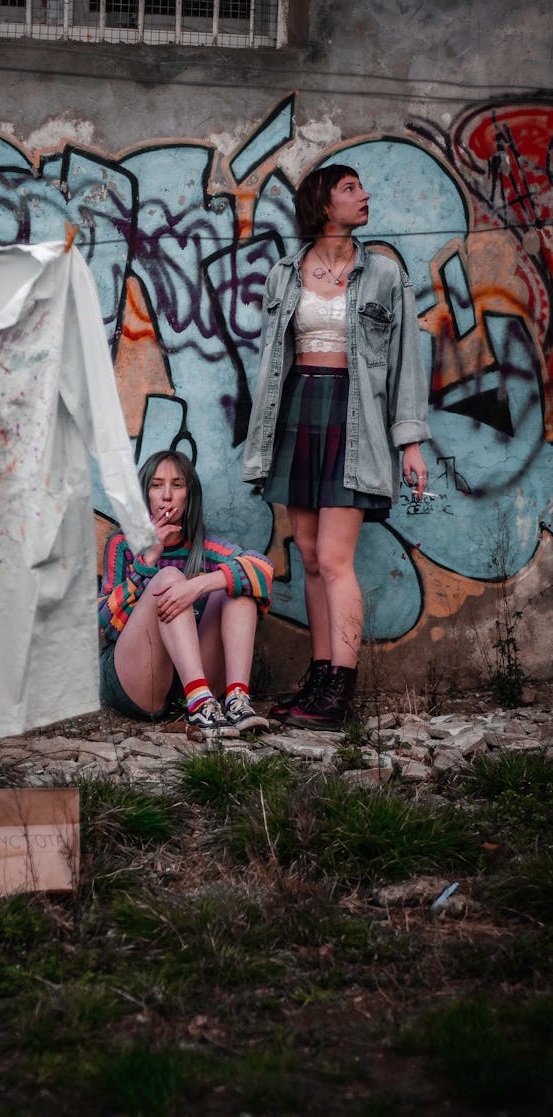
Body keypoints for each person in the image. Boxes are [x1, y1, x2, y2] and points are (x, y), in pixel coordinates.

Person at [243, 164, 431, 729]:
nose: (364, 195)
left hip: (355, 420)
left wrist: (411, 443)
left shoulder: (383, 275)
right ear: (324, 203)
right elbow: (272, 363)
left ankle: (340, 693)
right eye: (351, 189)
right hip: (298, 411)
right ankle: (320, 680)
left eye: (362, 188)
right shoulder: (285, 273)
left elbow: (405, 364)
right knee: (307, 558)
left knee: (333, 558)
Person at [98, 449, 274, 739]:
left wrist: (198, 585)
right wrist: (147, 562)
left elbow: (263, 569)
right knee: (169, 578)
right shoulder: (122, 545)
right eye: (157, 485)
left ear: (189, 496)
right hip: (138, 681)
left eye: (177, 486)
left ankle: (236, 701)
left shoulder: (205, 547)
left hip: (193, 685)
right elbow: (106, 624)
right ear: (145, 495)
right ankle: (200, 703)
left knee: (239, 588)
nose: (166, 496)